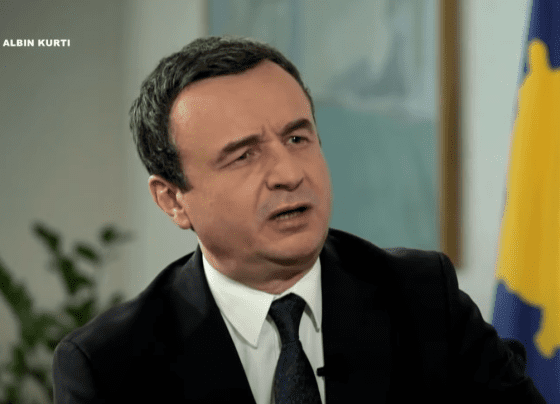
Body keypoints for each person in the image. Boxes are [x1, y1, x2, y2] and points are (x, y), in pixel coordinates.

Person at [52, 35, 545, 403]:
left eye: (297, 138)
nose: (289, 174)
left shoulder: (422, 299)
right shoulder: (111, 365)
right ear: (173, 200)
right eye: (243, 155)